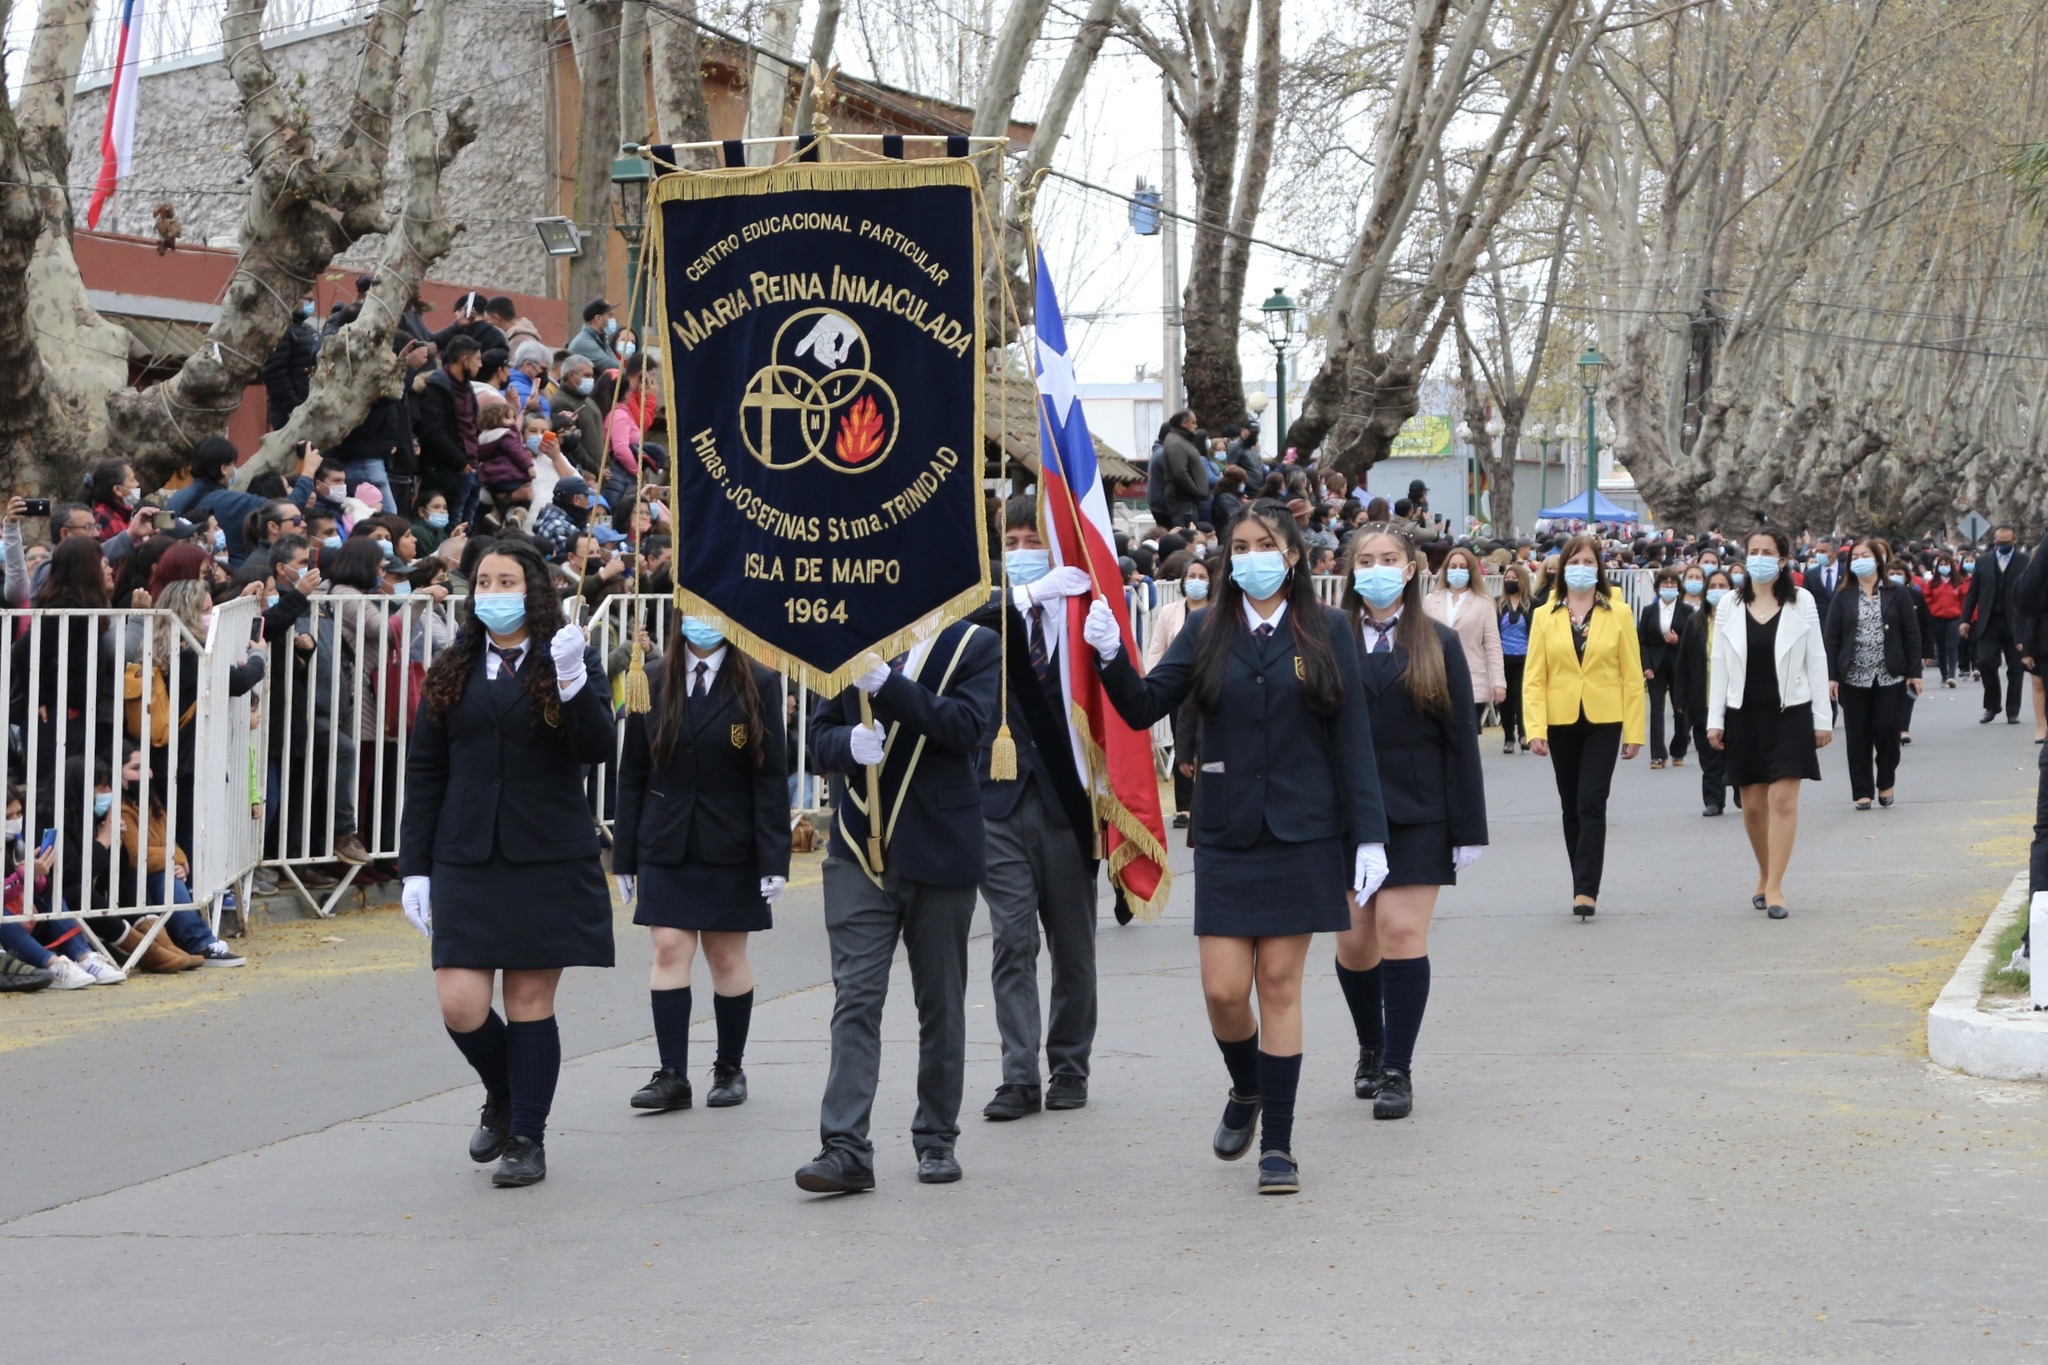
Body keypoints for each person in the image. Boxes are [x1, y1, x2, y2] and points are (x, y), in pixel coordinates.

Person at [1081, 503, 1388, 1195]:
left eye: (1266, 544)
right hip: (1226, 833)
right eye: (1239, 545)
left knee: (1278, 982)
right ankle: (1247, 1086)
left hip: (1303, 832)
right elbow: (1140, 706)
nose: (1251, 555)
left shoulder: (1328, 629)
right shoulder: (1205, 628)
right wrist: (1107, 653)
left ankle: (1277, 1145)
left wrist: (1369, 836)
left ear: (1293, 555)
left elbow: (1353, 742)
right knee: (1223, 989)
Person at [399, 538, 613, 1188]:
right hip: (465, 854)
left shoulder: (570, 657)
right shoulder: (451, 667)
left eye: (507, 580)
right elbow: (426, 771)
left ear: (535, 589)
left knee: (527, 999)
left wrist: (575, 681)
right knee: (460, 1002)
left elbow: (598, 746)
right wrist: (415, 867)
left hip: (545, 852)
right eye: (484, 581)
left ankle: (528, 1136)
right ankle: (502, 1089)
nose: (494, 591)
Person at [797, 616, 999, 1194]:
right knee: (855, 998)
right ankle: (844, 1147)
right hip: (859, 848)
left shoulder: (975, 644)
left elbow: (966, 727)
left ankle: (936, 1136)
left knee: (940, 1002)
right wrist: (847, 744)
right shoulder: (847, 641)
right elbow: (819, 738)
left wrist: (889, 687)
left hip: (939, 847)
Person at [1335, 525, 1484, 1121]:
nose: (1376, 568)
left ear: (1411, 568)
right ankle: (1370, 1045)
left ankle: (1398, 1067)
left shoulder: (1438, 641)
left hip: (1420, 812)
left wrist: (1468, 827)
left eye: (1388, 559)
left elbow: (1461, 741)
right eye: (1365, 560)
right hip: (1345, 814)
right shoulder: (1327, 638)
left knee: (1399, 932)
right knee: (1354, 940)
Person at [613, 614, 788, 1114]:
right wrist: (624, 854)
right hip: (666, 838)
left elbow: (770, 775)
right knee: (668, 947)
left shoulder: (760, 679)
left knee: (725, 955)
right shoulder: (649, 677)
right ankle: (672, 1074)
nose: (702, 622)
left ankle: (729, 1067)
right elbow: (633, 773)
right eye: (693, 610)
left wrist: (773, 857)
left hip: (731, 841)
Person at [970, 497, 1102, 1122]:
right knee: (1011, 942)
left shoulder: (1081, 610)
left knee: (1073, 946)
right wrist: (1025, 596)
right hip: (998, 800)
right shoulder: (988, 611)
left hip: (1067, 803)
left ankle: (1069, 1067)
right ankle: (1018, 1076)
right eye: (1012, 542)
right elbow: (972, 619)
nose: (1022, 553)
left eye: (1033, 542)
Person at [1707, 527, 1831, 921]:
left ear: (1782, 561)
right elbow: (1721, 664)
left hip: (1790, 712)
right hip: (1743, 713)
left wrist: (1821, 718)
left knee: (1782, 800)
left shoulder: (1803, 602)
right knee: (1754, 807)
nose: (1758, 558)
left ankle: (1775, 887)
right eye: (1752, 551)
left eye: (1767, 552)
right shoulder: (1729, 603)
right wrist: (1715, 719)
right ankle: (1764, 871)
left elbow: (1816, 658)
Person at [1522, 533, 1644, 919]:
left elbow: (1631, 674)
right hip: (1560, 718)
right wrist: (1535, 728)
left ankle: (1586, 889)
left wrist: (1635, 732)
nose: (1581, 570)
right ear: (1562, 569)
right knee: (1570, 805)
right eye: (1574, 563)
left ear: (1600, 569)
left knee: (1592, 801)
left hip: (1604, 719)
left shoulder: (1618, 612)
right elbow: (1533, 676)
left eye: (1589, 563)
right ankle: (1580, 874)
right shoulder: (1545, 614)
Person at [1825, 539, 1921, 810]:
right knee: (1857, 736)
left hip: (1889, 674)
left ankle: (1886, 779)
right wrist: (1832, 676)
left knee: (1888, 730)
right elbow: (1831, 638)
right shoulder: (1843, 595)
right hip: (1853, 676)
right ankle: (1862, 791)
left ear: (1878, 559)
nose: (1859, 561)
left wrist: (1915, 672)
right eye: (1855, 557)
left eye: (1865, 555)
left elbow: (1911, 633)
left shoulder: (1897, 592)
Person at [1670, 567, 1734, 816]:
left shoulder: (1741, 620)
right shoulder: (1695, 622)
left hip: (1735, 699)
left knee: (1736, 749)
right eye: (1714, 587)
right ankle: (1714, 799)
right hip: (1702, 698)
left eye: (1723, 587)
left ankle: (1740, 788)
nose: (1718, 592)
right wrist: (1680, 698)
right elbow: (1683, 663)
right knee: (1709, 754)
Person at [1422, 545, 1504, 734]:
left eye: (1463, 566)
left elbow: (1492, 645)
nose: (1457, 571)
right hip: (1436, 678)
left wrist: (1498, 682)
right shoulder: (1431, 600)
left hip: (1472, 678)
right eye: (1453, 566)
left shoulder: (1484, 603)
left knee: (1466, 738)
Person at [1963, 525, 2031, 724]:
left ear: (2014, 541)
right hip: (1989, 621)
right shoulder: (1983, 561)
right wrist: (1965, 620)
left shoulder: (2025, 561)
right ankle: (1992, 705)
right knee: (1984, 662)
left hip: (2016, 622)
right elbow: (1972, 593)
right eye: (1998, 543)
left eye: (2006, 543)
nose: (2001, 546)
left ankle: (2013, 711)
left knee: (2016, 668)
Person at [1637, 568, 1695, 770]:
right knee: (1657, 708)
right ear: (1658, 586)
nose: (1669, 586)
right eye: (1665, 582)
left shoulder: (1687, 610)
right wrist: (1646, 666)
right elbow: (1642, 641)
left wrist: (1678, 640)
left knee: (1681, 708)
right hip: (1656, 663)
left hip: (1679, 663)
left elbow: (1692, 640)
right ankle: (1657, 755)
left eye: (1673, 583)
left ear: (1678, 587)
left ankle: (1678, 750)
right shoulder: (1649, 611)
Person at [261, 294, 320, 430]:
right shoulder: (281, 330)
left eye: (310, 300)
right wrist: (293, 405)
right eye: (304, 298)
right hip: (290, 412)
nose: (309, 304)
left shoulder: (308, 330)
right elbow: (274, 371)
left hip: (308, 406)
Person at [1496, 564, 1531, 753]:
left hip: (1525, 658)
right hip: (1502, 659)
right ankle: (1508, 737)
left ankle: (1524, 734)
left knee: (1522, 697)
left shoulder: (1532, 604)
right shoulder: (1498, 604)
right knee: (1505, 699)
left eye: (1514, 578)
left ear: (1522, 581)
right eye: (1507, 578)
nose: (1510, 581)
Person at [1923, 551, 1965, 688]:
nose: (1944, 567)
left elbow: (1964, 600)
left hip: (1954, 618)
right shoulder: (1932, 583)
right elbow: (1926, 600)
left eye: (1946, 564)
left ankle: (1952, 675)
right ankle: (1944, 675)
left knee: (1952, 646)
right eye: (1941, 564)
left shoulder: (1958, 582)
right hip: (1937, 618)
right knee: (1941, 648)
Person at [1160, 411, 1209, 528]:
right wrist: (1196, 490)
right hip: (1183, 500)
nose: (1196, 426)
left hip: (1188, 500)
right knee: (1187, 534)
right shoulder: (1176, 442)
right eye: (1194, 423)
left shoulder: (1182, 440)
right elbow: (1180, 472)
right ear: (1184, 423)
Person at [567, 298, 619, 369]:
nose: (613, 319)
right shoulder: (584, 342)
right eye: (610, 315)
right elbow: (612, 366)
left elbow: (617, 363)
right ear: (598, 318)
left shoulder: (601, 339)